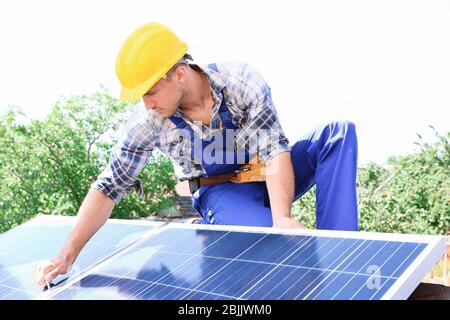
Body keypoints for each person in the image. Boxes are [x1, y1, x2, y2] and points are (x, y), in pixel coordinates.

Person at [36, 22, 358, 286]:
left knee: (338, 133)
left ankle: (341, 253)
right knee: (263, 247)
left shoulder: (241, 81)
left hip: (271, 172)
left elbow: (274, 149)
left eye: (150, 92)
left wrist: (283, 219)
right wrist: (67, 255)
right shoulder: (150, 124)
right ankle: (224, 225)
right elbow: (109, 187)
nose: (147, 104)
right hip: (223, 191)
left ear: (178, 73)